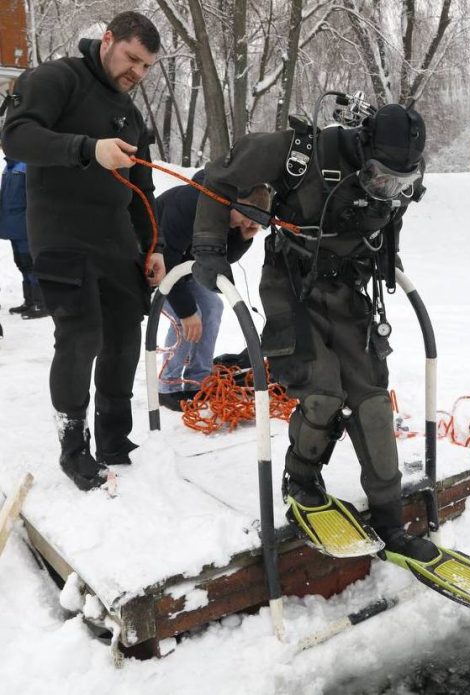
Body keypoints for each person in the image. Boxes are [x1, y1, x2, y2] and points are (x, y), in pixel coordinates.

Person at [191, 102, 437, 562]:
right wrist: (208, 247)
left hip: (348, 291)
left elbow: (388, 216)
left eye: (402, 184)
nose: (389, 190)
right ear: (363, 148)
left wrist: (387, 256)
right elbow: (218, 177)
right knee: (322, 394)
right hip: (292, 285)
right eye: (382, 177)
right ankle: (301, 479)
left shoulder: (394, 183)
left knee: (372, 402)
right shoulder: (301, 152)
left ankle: (389, 518)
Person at [1, 11, 165, 491]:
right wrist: (87, 149)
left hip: (116, 238)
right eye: (132, 58)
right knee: (82, 337)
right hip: (61, 233)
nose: (137, 72)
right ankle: (74, 450)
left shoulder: (131, 114)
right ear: (108, 40)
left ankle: (115, 438)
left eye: (147, 66)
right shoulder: (57, 78)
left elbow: (143, 188)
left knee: (123, 337)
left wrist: (153, 248)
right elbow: (16, 136)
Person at [155, 171, 269, 410]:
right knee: (186, 314)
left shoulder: (228, 215)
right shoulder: (192, 203)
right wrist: (186, 311)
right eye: (247, 216)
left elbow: (222, 257)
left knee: (212, 306)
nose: (249, 223)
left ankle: (197, 380)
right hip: (151, 264)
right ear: (234, 199)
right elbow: (166, 260)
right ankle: (169, 385)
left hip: (185, 267)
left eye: (255, 221)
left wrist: (243, 237)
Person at [0, 154, 46, 318]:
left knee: (31, 264)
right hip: (11, 226)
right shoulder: (8, 168)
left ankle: (41, 304)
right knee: (21, 264)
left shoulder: (27, 166)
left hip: (26, 226)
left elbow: (34, 198)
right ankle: (29, 301)